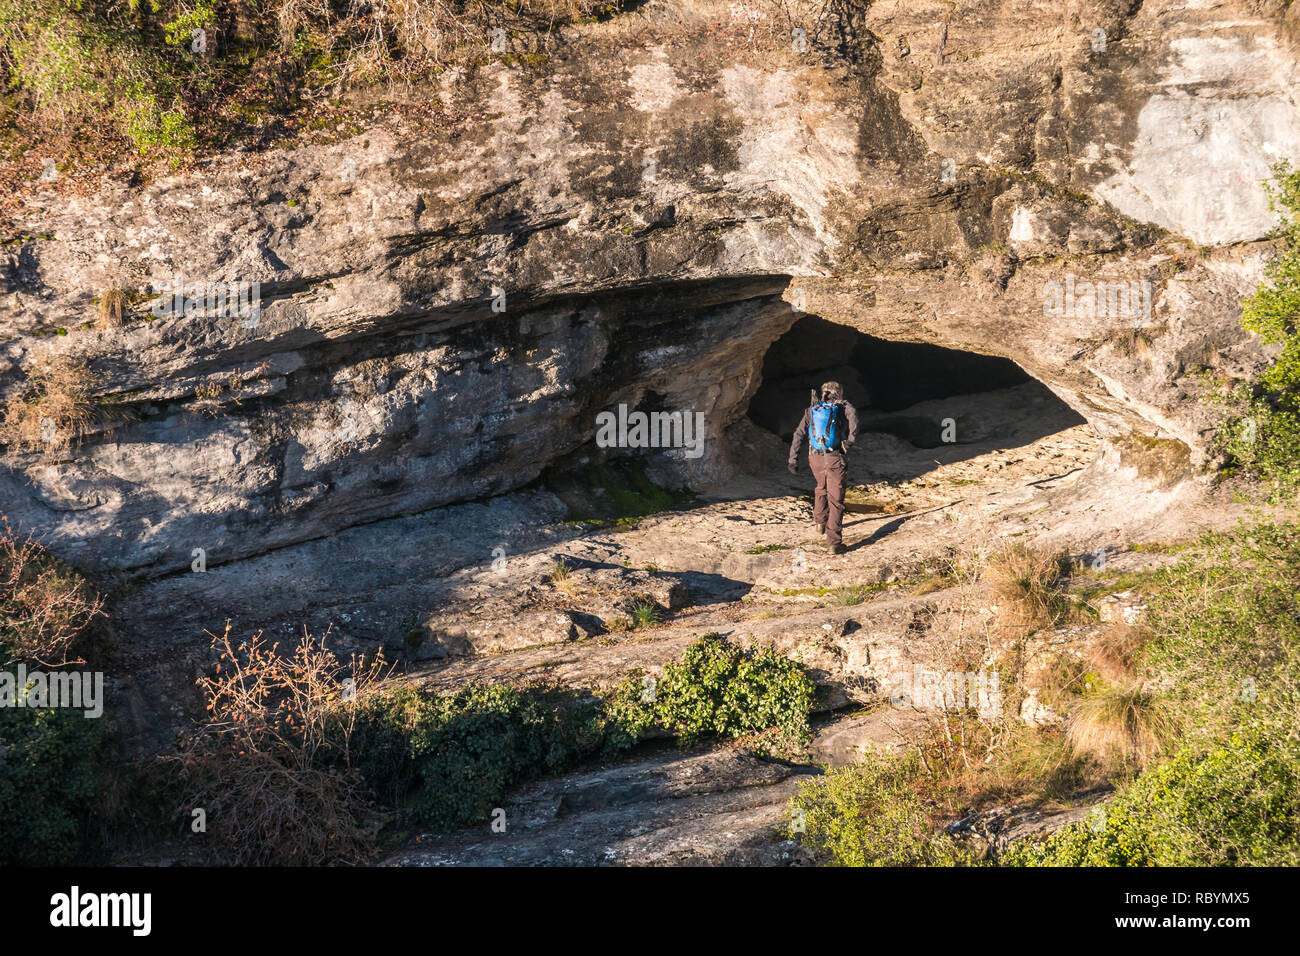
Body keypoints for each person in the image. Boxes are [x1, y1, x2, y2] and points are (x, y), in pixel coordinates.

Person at [788, 381, 859, 554]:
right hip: (834, 458)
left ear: (823, 393)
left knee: (821, 487)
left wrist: (793, 459)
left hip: (815, 457)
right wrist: (849, 442)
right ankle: (834, 543)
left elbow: (798, 433)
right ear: (840, 392)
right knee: (836, 500)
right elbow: (855, 420)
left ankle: (820, 522)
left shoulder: (812, 409)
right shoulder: (843, 407)